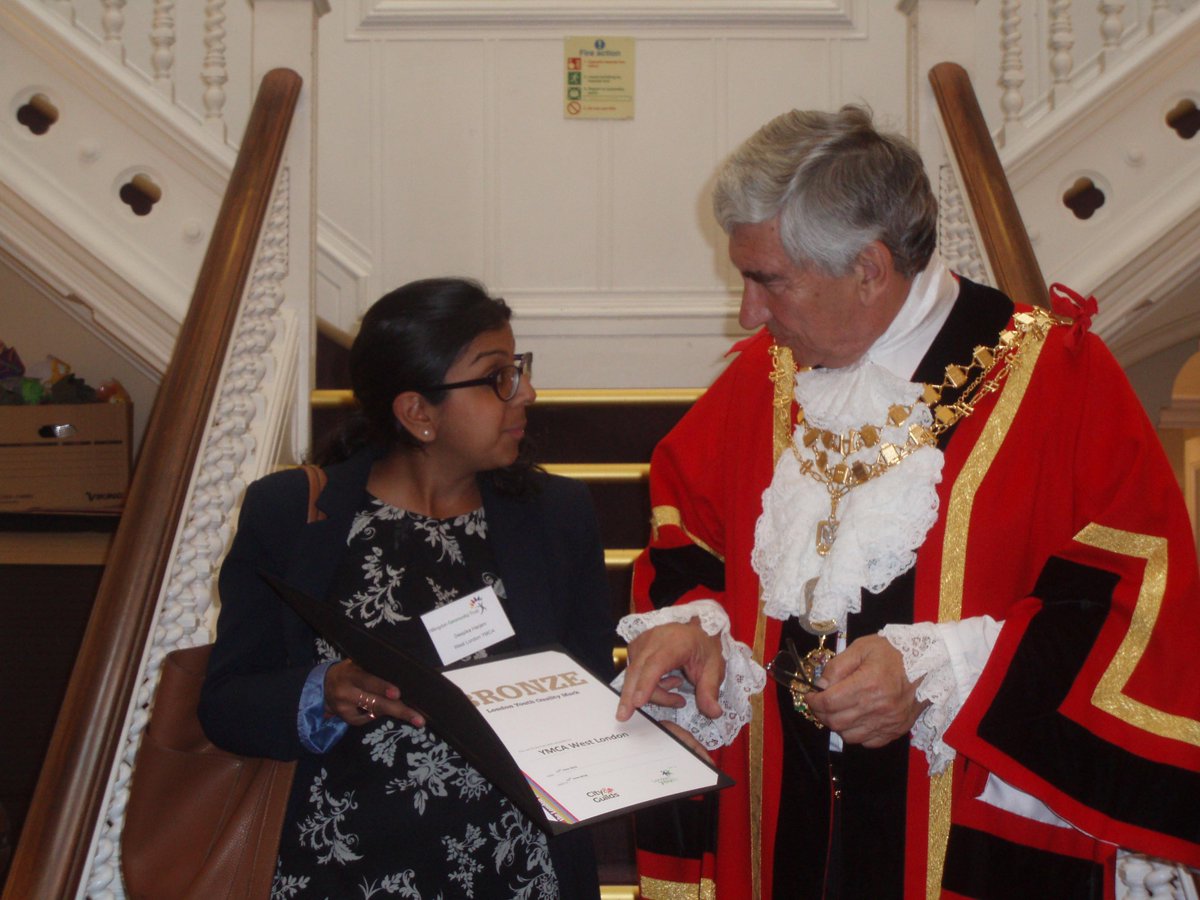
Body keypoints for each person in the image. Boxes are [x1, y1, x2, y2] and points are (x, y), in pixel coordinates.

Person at [613, 106, 1200, 899]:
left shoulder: (1060, 381)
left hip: (964, 836)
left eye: (767, 281)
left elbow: (1136, 611)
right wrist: (696, 625)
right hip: (779, 830)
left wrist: (944, 670)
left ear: (869, 268)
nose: (747, 314)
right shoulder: (763, 380)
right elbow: (689, 539)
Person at [199, 277, 614, 898]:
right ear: (418, 413)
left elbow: (589, 688)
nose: (526, 393)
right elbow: (226, 703)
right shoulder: (291, 514)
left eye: (519, 368)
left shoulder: (558, 513)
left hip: (518, 872)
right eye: (498, 376)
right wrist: (323, 691)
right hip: (336, 868)